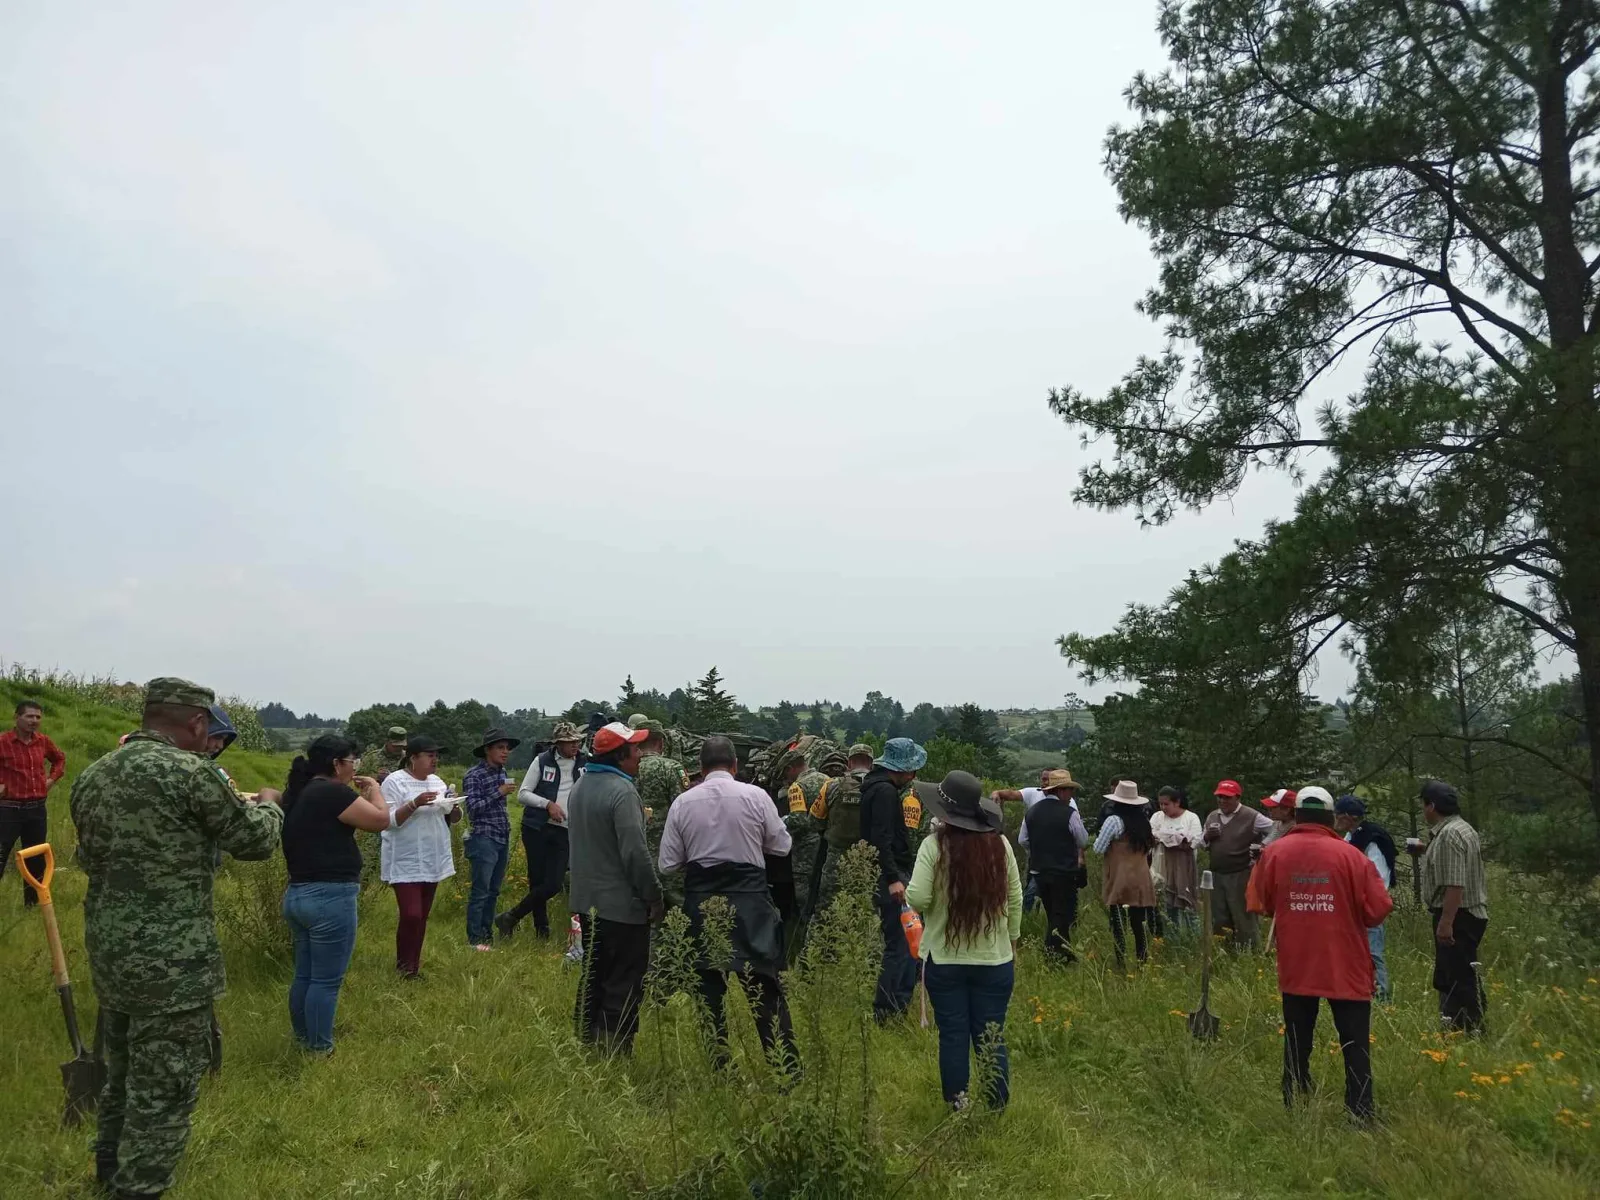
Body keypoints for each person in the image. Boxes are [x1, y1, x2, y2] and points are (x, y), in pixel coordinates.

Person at [70, 677, 282, 1200]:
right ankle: (137, 1189)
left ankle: (106, 1172)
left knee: (119, 1074)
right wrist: (273, 804)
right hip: (173, 965)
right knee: (163, 1091)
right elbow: (254, 841)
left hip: (111, 954)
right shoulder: (192, 774)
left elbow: (89, 859)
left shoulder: (94, 775)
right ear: (195, 722)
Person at [1248, 786, 1393, 1122]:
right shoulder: (1352, 856)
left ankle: (1293, 1098)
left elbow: (1259, 903)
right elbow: (1378, 910)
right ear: (1331, 818)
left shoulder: (1275, 853)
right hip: (1346, 964)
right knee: (1355, 1042)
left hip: (1297, 962)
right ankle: (1360, 1112)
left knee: (1297, 1034)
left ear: (1297, 815)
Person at [659, 736, 798, 1070]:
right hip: (750, 903)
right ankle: (787, 1071)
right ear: (735, 766)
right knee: (765, 991)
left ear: (701, 769)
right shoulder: (756, 796)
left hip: (702, 901)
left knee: (708, 994)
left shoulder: (683, 803)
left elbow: (667, 864)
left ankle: (721, 1070)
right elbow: (782, 846)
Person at [905, 771, 1023, 1111]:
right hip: (995, 959)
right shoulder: (999, 844)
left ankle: (958, 1103)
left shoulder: (933, 846)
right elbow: (1014, 898)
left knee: (953, 1035)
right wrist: (1012, 939)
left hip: (945, 959)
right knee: (992, 1035)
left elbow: (917, 897)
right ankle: (996, 1105)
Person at [279, 734, 391, 1053]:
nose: (355, 767)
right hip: (330, 896)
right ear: (336, 764)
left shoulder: (297, 793)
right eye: (352, 761)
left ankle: (303, 1039)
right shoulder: (332, 792)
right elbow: (380, 820)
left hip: (298, 894)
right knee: (326, 981)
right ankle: (320, 1049)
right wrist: (375, 791)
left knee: (305, 974)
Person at [569, 721, 662, 1054]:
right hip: (622, 905)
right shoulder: (622, 792)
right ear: (621, 756)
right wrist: (653, 895)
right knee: (624, 978)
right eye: (635, 749)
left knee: (594, 972)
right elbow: (635, 853)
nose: (639, 755)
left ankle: (585, 1038)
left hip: (587, 901)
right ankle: (614, 1050)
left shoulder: (581, 786)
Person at [379, 735, 460, 978]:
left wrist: (454, 807)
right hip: (405, 857)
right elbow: (389, 821)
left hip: (432, 854)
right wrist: (414, 803)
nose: (435, 760)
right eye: (430, 755)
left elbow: (451, 818)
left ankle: (413, 967)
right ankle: (403, 965)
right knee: (411, 914)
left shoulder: (437, 781)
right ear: (413, 758)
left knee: (422, 915)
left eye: (437, 755)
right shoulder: (394, 782)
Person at [497, 721, 587, 940]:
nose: (575, 745)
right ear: (558, 744)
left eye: (577, 741)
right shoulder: (542, 761)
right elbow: (523, 794)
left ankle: (511, 916)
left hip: (565, 829)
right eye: (569, 742)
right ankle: (541, 929)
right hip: (537, 827)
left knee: (554, 883)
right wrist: (548, 804)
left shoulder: (586, 762)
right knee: (537, 880)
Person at [1412, 780, 1489, 1033]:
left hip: (1459, 915)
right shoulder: (1463, 829)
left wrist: (1446, 923)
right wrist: (1427, 850)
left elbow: (1454, 885)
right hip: (1469, 913)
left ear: (1431, 806)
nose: (1424, 811)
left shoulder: (1448, 835)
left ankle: (1468, 1028)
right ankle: (1463, 1025)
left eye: (1424, 805)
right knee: (1460, 972)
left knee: (1457, 978)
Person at [861, 737, 927, 1022]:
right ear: (900, 770)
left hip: (888, 873)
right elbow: (882, 839)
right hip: (892, 876)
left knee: (903, 943)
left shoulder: (874, 788)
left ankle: (898, 1003)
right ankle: (888, 1011)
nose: (913, 776)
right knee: (900, 945)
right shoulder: (886, 793)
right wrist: (893, 878)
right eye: (911, 770)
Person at [0, 698, 66, 906]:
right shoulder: (3, 742)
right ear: (17, 717)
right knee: (1, 854)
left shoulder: (43, 741)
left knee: (36, 859)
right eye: (29, 716)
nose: (34, 721)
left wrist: (51, 780)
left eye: (38, 717)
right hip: (8, 809)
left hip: (36, 810)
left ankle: (32, 905)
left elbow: (59, 759)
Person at [1018, 770, 1088, 962]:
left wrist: (1038, 849)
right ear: (1061, 791)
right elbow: (1082, 840)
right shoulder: (1070, 813)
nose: (1071, 795)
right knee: (1062, 914)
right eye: (1070, 790)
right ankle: (1053, 953)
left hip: (1039, 870)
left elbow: (1022, 839)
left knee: (1052, 912)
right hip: (1064, 871)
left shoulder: (1031, 813)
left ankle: (1063, 952)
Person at [1334, 794, 1397, 1003]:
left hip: (1368, 908)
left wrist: (1364, 903)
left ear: (1348, 817)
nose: (1335, 819)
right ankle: (1360, 993)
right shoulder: (1352, 837)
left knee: (1373, 953)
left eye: (1338, 815)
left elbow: (1378, 878)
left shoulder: (1372, 839)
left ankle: (1382, 998)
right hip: (1352, 907)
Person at [461, 728, 520, 949]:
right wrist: (499, 792)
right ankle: (475, 939)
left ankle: (486, 936)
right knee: (480, 891)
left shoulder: (501, 772)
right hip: (483, 837)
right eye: (500, 748)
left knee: (494, 891)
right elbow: (473, 809)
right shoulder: (474, 775)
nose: (505, 752)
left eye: (507, 748)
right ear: (488, 750)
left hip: (501, 836)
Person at [1095, 781, 1159, 968]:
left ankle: (1121, 961)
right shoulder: (1144, 822)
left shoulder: (1113, 821)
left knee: (1118, 922)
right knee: (1139, 922)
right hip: (1140, 875)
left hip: (1119, 876)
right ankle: (1142, 959)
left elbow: (1099, 848)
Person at [1202, 778, 1272, 948]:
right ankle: (1223, 951)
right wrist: (1207, 837)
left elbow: (1275, 829)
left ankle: (1250, 951)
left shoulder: (1251, 816)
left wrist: (1262, 848)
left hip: (1241, 873)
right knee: (1219, 916)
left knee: (1243, 915)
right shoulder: (1213, 816)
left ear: (1237, 798)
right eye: (1219, 797)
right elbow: (1201, 843)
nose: (1222, 801)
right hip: (1217, 873)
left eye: (1227, 797)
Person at [991, 770, 1058, 913]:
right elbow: (1012, 794)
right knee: (1032, 885)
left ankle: (1029, 917)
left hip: (1055, 856)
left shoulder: (1068, 803)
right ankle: (1031, 918)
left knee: (1038, 890)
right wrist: (998, 793)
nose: (1044, 782)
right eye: (1043, 778)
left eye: (1048, 779)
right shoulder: (1034, 793)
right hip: (1035, 854)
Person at [1149, 786, 1203, 936]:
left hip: (1184, 866)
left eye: (1166, 804)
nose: (1163, 807)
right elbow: (1151, 836)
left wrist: (1168, 838)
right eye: (1161, 804)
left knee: (1188, 904)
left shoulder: (1190, 818)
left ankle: (1194, 937)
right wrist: (1172, 838)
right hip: (1162, 865)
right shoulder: (1157, 817)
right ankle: (1172, 938)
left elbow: (1195, 840)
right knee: (1167, 905)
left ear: (1177, 802)